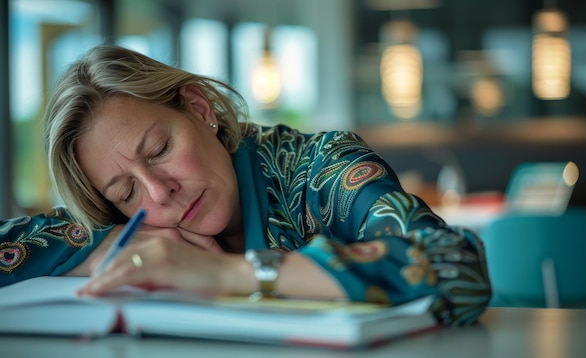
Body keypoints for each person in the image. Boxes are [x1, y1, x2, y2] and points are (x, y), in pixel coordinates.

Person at [0, 44, 491, 326]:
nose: (158, 193)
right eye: (126, 192)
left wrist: (227, 274)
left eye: (160, 151)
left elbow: (459, 267)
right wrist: (98, 249)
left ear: (199, 108)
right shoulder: (128, 228)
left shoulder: (320, 168)